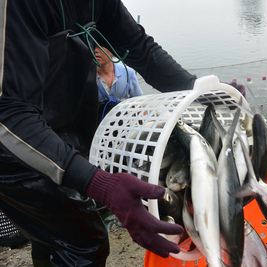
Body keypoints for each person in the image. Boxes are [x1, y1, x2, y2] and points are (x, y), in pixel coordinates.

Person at [0, 1, 197, 266]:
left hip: (62, 125)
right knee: (84, 242)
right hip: (13, 141)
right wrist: (100, 183)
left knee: (54, 235)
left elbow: (139, 47)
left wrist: (196, 88)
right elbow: (9, 112)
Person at [95, 45, 143, 122]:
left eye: (102, 46)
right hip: (99, 129)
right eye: (94, 46)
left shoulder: (128, 73)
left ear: (112, 50)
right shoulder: (88, 77)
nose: (96, 51)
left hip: (125, 127)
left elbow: (138, 103)